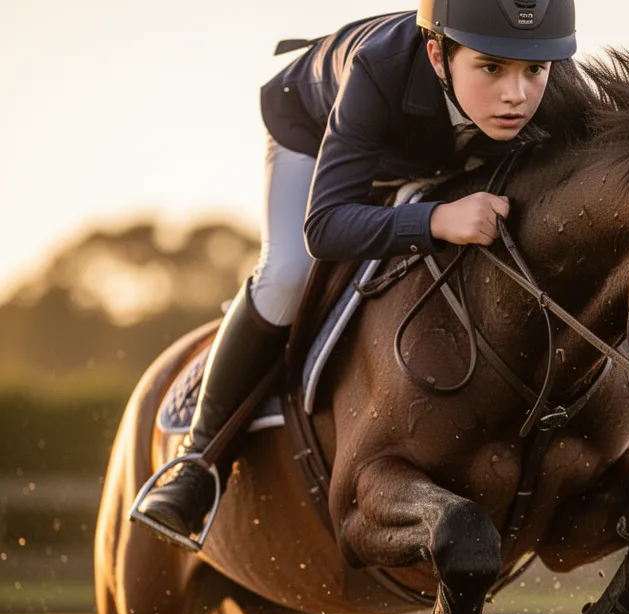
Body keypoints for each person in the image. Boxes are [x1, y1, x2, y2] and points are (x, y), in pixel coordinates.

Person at [136, 0, 578, 544]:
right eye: (491, 68)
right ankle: (197, 462)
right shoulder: (379, 66)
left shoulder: (547, 75)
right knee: (288, 274)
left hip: (438, 150)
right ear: (438, 55)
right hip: (313, 125)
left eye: (533, 70)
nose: (518, 94)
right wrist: (437, 218)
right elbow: (325, 227)